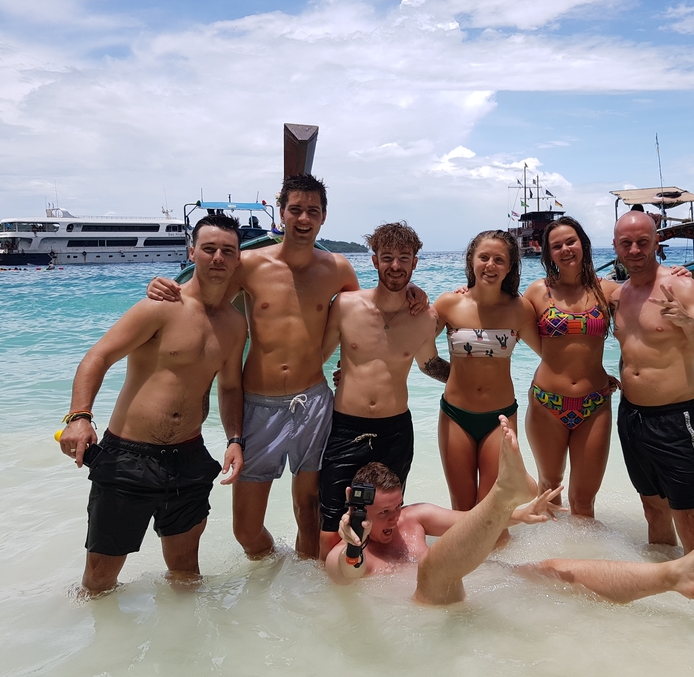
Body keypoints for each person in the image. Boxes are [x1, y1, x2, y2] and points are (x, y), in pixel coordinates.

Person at [146, 174, 426, 559]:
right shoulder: (248, 264)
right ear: (282, 213)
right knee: (245, 530)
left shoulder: (338, 269)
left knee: (309, 513)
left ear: (324, 216)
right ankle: (273, 568)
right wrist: (162, 288)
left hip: (314, 403)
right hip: (258, 404)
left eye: (313, 210)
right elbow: (203, 299)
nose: (304, 218)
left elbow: (371, 311)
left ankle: (306, 592)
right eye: (295, 209)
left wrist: (412, 290)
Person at [327, 416, 694, 606]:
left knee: (554, 568)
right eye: (382, 514)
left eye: (395, 509)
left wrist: (518, 515)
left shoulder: (413, 517)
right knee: (433, 568)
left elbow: (468, 524)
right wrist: (353, 548)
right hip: (424, 604)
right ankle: (504, 491)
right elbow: (347, 573)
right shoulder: (345, 552)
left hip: (474, 587)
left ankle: (674, 576)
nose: (393, 521)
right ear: (355, 502)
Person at [58, 214, 248, 596]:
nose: (217, 258)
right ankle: (96, 648)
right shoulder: (160, 306)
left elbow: (229, 388)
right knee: (99, 580)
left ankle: (179, 651)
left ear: (238, 259)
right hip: (129, 457)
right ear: (192, 252)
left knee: (186, 576)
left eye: (227, 251)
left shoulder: (233, 323)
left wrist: (235, 439)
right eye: (208, 249)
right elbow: (97, 357)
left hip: (189, 459)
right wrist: (79, 417)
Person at [318, 222, 448, 559]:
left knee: (385, 525)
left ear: (415, 263)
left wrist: (477, 378)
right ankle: (330, 601)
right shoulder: (345, 305)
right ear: (374, 261)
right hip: (345, 427)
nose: (395, 265)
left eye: (404, 258)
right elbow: (316, 356)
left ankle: (383, 595)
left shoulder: (424, 317)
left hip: (394, 431)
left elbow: (430, 364)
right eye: (387, 257)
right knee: (332, 529)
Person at [612, 211, 694, 554]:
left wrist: (688, 323)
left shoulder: (682, 286)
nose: (634, 250)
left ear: (657, 242)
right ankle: (666, 587)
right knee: (652, 508)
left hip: (676, 419)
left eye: (642, 242)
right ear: (615, 246)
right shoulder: (619, 294)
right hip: (631, 417)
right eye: (626, 243)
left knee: (689, 517)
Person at [433, 230, 539, 510]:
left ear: (510, 267)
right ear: (472, 261)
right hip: (456, 415)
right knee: (462, 507)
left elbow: (552, 354)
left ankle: (499, 557)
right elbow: (410, 344)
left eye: (499, 260)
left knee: (493, 506)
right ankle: (462, 556)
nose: (490, 265)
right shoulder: (449, 303)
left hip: (500, 417)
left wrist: (594, 374)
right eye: (484, 257)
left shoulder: (521, 309)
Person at [522, 217, 618, 518]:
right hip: (547, 403)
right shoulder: (538, 292)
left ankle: (584, 559)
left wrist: (675, 273)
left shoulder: (608, 291)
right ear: (548, 253)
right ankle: (548, 559)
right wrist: (465, 290)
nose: (565, 249)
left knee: (584, 501)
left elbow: (647, 292)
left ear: (583, 244)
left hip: (595, 403)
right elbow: (496, 309)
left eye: (570, 242)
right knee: (549, 489)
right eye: (556, 245)